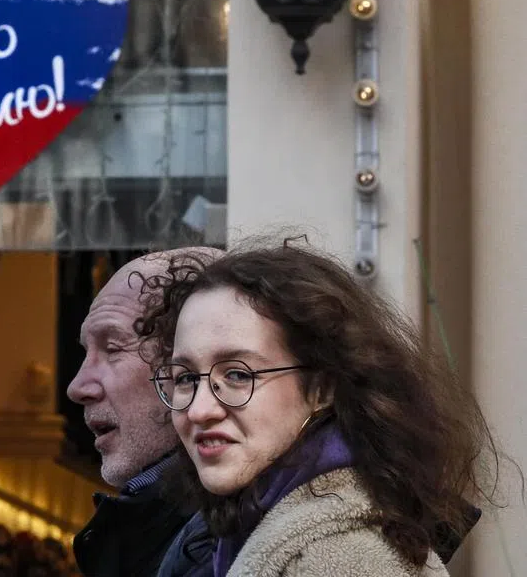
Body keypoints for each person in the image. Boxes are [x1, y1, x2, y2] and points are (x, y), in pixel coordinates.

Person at [145, 242, 504, 576]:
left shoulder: (337, 561)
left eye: (238, 374)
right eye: (186, 378)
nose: (199, 410)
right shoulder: (256, 524)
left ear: (323, 387)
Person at [67, 248, 222, 577]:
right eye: (86, 351)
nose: (78, 387)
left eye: (112, 348)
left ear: (191, 366)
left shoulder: (227, 547)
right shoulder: (171, 530)